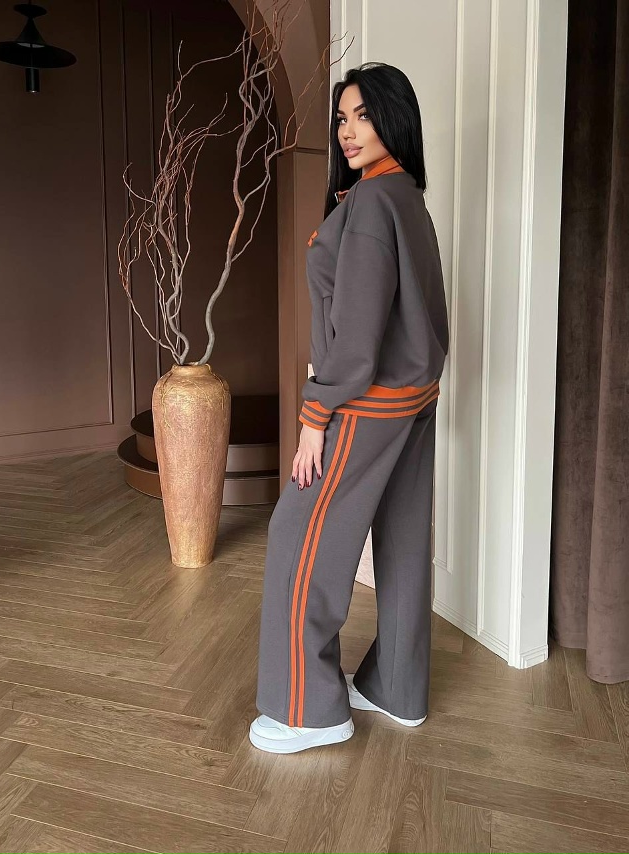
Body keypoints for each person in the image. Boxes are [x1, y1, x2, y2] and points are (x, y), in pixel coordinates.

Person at [249, 62, 449, 754]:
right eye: (342, 118)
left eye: (363, 115)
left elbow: (358, 334)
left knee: (298, 537)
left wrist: (316, 416)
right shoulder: (405, 196)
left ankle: (308, 711)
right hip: (414, 397)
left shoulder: (369, 204)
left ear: (394, 118)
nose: (349, 130)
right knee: (403, 541)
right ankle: (398, 688)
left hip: (366, 400)